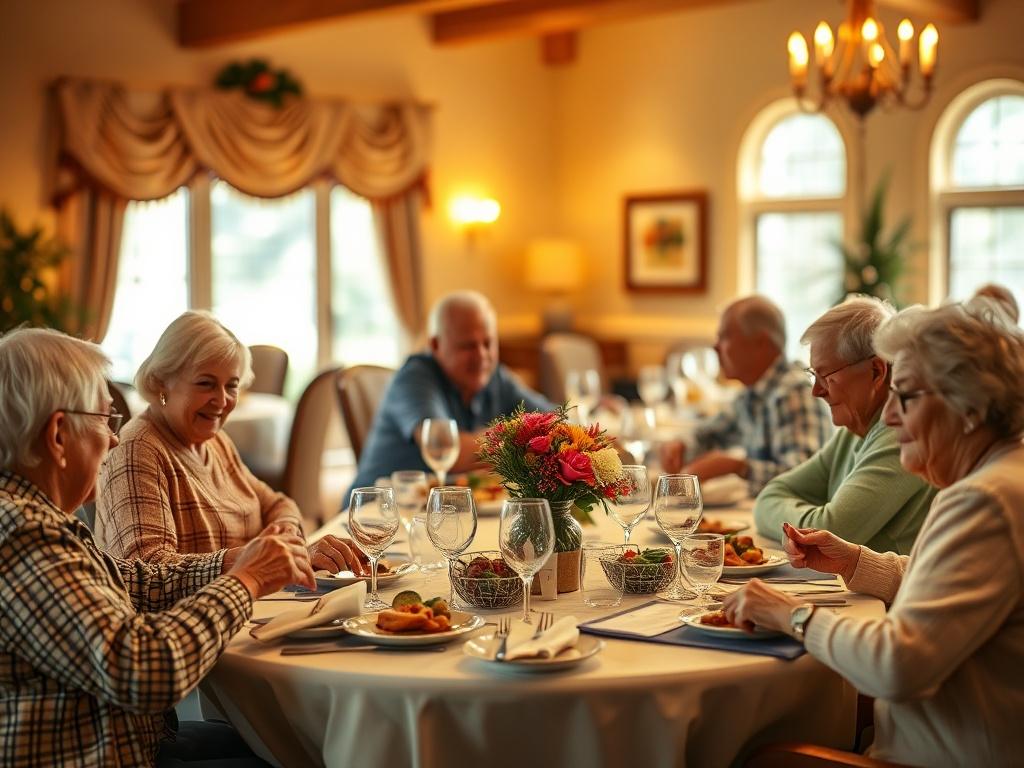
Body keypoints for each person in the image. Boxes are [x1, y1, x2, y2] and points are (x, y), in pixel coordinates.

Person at [722, 296, 1024, 766]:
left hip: (931, 759)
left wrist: (791, 615)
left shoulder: (984, 501)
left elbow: (897, 666)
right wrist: (860, 562)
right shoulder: (1001, 476)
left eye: (905, 397)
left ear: (968, 405)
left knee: (744, 751)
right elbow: (949, 587)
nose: (888, 416)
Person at [0, 326, 316, 766]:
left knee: (300, 744)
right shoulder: (22, 535)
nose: (114, 438)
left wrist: (236, 562)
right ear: (58, 435)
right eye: (104, 420)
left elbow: (132, 578)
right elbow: (143, 670)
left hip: (138, 740)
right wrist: (245, 581)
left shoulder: (37, 519)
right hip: (106, 756)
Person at [95, 311, 369, 575]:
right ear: (160, 383)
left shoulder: (214, 442)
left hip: (249, 606)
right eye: (206, 384)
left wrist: (286, 537)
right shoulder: (138, 449)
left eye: (232, 385)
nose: (222, 400)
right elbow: (148, 571)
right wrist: (253, 560)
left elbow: (277, 504)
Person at [753, 296, 935, 553]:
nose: (816, 391)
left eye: (826, 376)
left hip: (897, 593)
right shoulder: (853, 431)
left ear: (876, 371)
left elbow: (831, 533)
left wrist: (811, 522)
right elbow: (768, 497)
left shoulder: (900, 435)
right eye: (813, 375)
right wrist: (811, 521)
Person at [348, 291, 554, 493]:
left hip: (440, 512)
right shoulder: (414, 377)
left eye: (488, 343)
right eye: (468, 346)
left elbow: (556, 420)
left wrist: (541, 433)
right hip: (374, 515)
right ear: (435, 345)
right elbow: (445, 450)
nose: (482, 355)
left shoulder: (495, 376)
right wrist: (527, 438)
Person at [660, 295, 832, 494]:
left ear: (761, 343)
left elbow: (806, 480)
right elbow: (710, 434)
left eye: (725, 336)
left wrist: (738, 468)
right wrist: (680, 444)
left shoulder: (794, 393)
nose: (715, 347)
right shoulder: (752, 393)